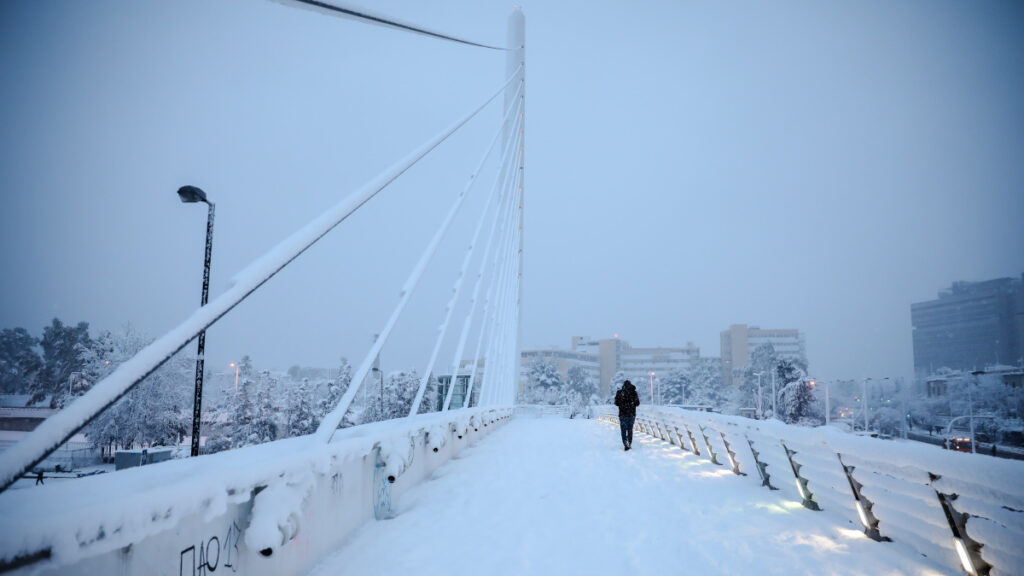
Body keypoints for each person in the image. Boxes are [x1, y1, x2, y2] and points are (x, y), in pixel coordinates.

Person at [614, 379, 640, 450]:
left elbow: (616, 403)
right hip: (631, 414)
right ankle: (629, 442)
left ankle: (625, 443)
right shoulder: (634, 393)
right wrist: (631, 404)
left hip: (622, 414)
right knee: (630, 429)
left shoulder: (620, 392)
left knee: (623, 430)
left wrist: (622, 404)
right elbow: (637, 403)